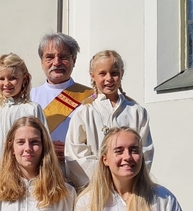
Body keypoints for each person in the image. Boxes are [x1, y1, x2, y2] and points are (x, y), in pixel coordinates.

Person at [65, 50, 155, 188]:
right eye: (102, 73)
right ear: (92, 76)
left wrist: (127, 180)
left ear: (121, 74)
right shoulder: (84, 112)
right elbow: (75, 154)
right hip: (96, 186)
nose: (109, 78)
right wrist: (105, 179)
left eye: (114, 73)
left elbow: (145, 151)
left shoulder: (136, 112)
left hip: (129, 187)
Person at [30, 33, 93, 171]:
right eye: (50, 57)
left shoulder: (92, 98)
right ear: (42, 62)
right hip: (40, 172)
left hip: (79, 172)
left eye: (64, 57)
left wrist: (71, 151)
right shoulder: (29, 98)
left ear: (74, 60)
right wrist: (45, 148)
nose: (56, 62)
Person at [0, 54, 48, 175]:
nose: (7, 83)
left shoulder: (31, 109)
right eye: (1, 79)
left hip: (24, 177)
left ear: (24, 79)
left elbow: (44, 145)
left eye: (12, 78)